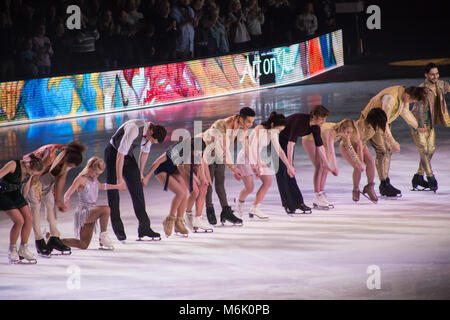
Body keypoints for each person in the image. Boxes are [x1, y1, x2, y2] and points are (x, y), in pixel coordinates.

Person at [105, 119, 167, 242]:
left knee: (137, 188)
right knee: (113, 191)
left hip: (127, 155)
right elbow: (119, 155)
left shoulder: (151, 134)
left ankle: (144, 228)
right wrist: (119, 179)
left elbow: (144, 154)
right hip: (113, 153)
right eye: (151, 140)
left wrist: (140, 173)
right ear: (150, 131)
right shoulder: (134, 129)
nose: (151, 142)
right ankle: (118, 229)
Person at [360, 86, 427, 197]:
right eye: (412, 101)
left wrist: (417, 126)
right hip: (371, 123)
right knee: (382, 151)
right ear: (408, 96)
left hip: (380, 124)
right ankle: (383, 184)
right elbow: (383, 122)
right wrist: (392, 141)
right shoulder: (390, 98)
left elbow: (404, 111)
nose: (410, 103)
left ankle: (385, 182)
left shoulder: (403, 93)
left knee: (387, 151)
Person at [25, 142, 86, 256]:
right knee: (35, 208)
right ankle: (39, 240)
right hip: (33, 178)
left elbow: (62, 177)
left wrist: (58, 199)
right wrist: (28, 189)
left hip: (47, 179)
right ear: (66, 157)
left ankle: (54, 237)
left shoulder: (68, 154)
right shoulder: (50, 154)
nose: (69, 168)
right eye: (70, 165)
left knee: (51, 205)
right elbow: (35, 174)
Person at [143, 138, 212, 236]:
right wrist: (147, 177)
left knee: (184, 193)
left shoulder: (193, 153)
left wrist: (199, 178)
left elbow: (192, 166)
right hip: (162, 170)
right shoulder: (175, 151)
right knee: (181, 193)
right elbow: (157, 162)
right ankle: (170, 219)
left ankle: (179, 223)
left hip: (175, 171)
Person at [275, 105, 336, 214]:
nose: (324, 121)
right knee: (282, 173)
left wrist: (327, 164)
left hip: (286, 142)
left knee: (290, 174)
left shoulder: (315, 127)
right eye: (322, 118)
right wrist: (289, 165)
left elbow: (320, 146)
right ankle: (288, 204)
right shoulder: (300, 121)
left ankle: (298, 202)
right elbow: (291, 144)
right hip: (276, 139)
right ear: (314, 116)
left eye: (325, 118)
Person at [200, 107, 255, 226]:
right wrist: (233, 169)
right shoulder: (222, 125)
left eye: (252, 122)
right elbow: (222, 150)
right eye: (248, 122)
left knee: (220, 181)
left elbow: (245, 146)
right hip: (206, 151)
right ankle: (209, 208)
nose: (250, 125)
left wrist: (254, 163)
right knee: (208, 182)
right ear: (240, 119)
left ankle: (225, 211)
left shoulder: (241, 127)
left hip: (219, 153)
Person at [235, 112, 292, 219]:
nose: (279, 132)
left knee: (268, 181)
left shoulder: (272, 132)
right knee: (249, 188)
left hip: (257, 158)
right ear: (272, 124)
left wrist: (289, 165)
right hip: (245, 159)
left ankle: (255, 208)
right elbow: (253, 148)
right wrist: (258, 165)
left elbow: (279, 150)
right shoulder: (259, 130)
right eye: (279, 129)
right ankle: (239, 202)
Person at [62, 157, 126, 250]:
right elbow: (67, 194)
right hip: (84, 212)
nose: (96, 176)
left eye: (98, 174)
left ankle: (54, 240)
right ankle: (103, 236)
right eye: (95, 173)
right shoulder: (81, 179)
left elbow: (102, 186)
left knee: (83, 244)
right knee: (106, 209)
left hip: (92, 212)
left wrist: (117, 186)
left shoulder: (94, 178)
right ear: (90, 167)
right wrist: (66, 203)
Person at [410, 63, 450, 192]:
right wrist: (420, 125)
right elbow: (417, 110)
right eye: (432, 74)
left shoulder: (440, 85)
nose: (435, 76)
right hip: (419, 124)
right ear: (426, 75)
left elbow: (447, 87)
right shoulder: (422, 90)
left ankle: (418, 176)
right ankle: (430, 176)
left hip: (430, 124)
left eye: (437, 74)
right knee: (424, 150)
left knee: (431, 149)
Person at [302, 118, 356, 209]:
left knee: (325, 168)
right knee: (319, 167)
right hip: (310, 139)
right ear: (343, 129)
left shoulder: (341, 133)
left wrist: (357, 161)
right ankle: (317, 196)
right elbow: (331, 151)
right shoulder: (331, 132)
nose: (348, 135)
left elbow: (348, 146)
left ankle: (321, 194)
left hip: (321, 141)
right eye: (347, 132)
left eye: (350, 132)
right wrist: (335, 167)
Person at [0, 155, 43, 264]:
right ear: (29, 165)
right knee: (19, 221)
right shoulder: (13, 165)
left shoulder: (29, 171)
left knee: (29, 218)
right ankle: (12, 249)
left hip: (15, 194)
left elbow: (26, 187)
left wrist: (23, 203)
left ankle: (23, 249)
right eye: (32, 172)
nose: (31, 175)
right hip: (3, 193)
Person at [346, 108, 389, 203]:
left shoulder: (374, 127)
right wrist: (360, 161)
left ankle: (370, 186)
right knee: (358, 167)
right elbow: (358, 146)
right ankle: (356, 189)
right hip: (349, 146)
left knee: (370, 161)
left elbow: (382, 135)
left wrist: (391, 142)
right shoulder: (360, 126)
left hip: (361, 145)